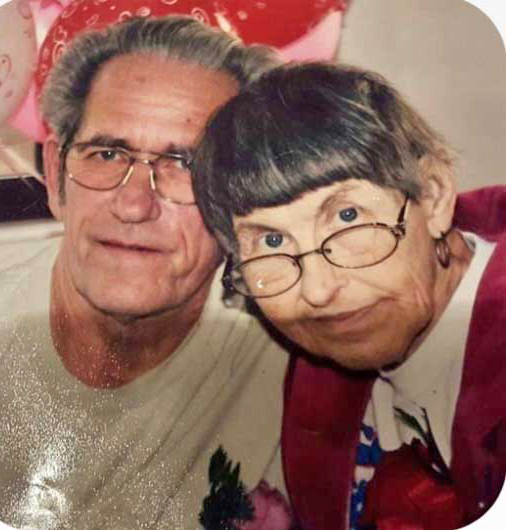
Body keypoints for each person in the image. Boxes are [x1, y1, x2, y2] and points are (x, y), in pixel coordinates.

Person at [0, 16, 291, 530]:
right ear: (56, 176)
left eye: (186, 164)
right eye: (107, 153)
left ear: (243, 196)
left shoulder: (299, 361)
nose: (133, 205)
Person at [193, 61, 506, 529]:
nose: (318, 291)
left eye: (347, 216)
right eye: (272, 242)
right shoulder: (314, 381)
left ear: (434, 195)